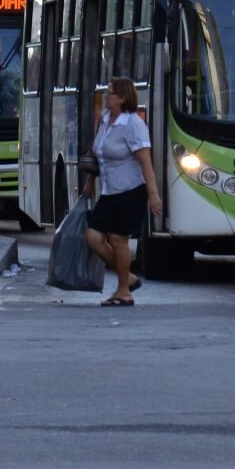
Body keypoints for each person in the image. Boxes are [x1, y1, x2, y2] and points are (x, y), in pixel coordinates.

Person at [82, 77, 162, 307]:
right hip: (108, 190)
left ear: (123, 98)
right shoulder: (106, 119)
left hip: (130, 191)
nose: (106, 96)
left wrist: (153, 195)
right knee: (93, 237)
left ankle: (124, 290)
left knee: (118, 240)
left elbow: (146, 163)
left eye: (110, 93)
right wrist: (90, 181)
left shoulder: (133, 124)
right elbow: (98, 154)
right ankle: (128, 277)